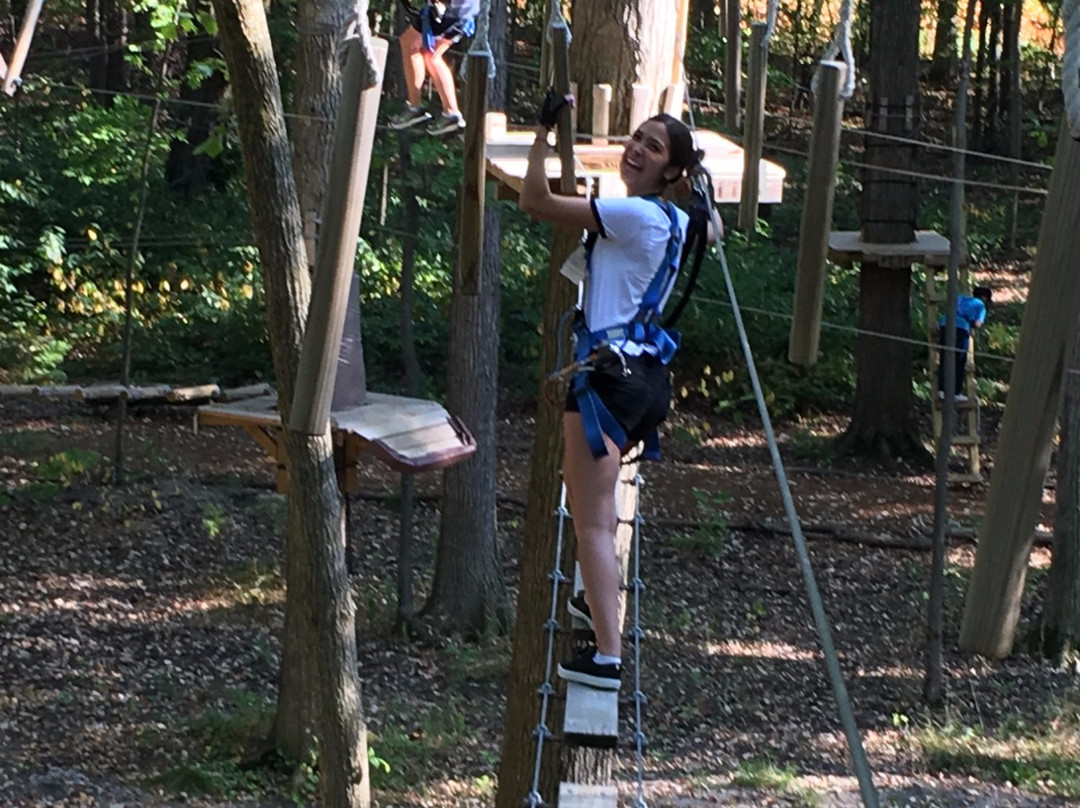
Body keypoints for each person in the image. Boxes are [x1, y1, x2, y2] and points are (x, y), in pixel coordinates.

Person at [519, 97, 716, 691]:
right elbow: (716, 224)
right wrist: (693, 181)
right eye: (637, 138)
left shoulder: (635, 218)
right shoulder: (680, 220)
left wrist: (542, 135)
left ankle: (607, 655)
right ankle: (599, 607)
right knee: (583, 497)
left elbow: (535, 202)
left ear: (671, 172)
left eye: (653, 147)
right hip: (641, 375)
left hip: (610, 380)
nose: (636, 149)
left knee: (594, 524)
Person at [387, 0, 480, 136]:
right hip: (462, 10)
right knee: (431, 55)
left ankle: (416, 107)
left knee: (410, 43)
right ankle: (450, 112)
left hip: (452, 8)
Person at [937, 285, 992, 403]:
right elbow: (978, 323)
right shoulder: (981, 305)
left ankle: (941, 390)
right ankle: (955, 392)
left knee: (945, 357)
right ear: (984, 297)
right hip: (961, 329)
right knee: (960, 360)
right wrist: (972, 324)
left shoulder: (960, 298)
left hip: (944, 325)